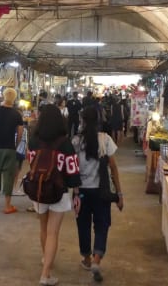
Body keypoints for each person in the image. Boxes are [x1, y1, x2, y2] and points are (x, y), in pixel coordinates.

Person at [28, 104, 81, 286]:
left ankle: (46, 258)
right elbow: (72, 170)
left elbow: (31, 164)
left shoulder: (33, 140)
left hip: (38, 189)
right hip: (59, 191)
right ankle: (45, 274)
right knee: (53, 233)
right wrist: (76, 192)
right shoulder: (65, 143)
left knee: (43, 229)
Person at [72, 106, 123, 282]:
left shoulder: (76, 141)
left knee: (83, 225)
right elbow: (113, 168)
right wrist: (119, 194)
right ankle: (96, 259)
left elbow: (72, 168)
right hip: (102, 192)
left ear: (82, 121)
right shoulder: (105, 139)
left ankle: (86, 258)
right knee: (102, 225)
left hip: (81, 192)